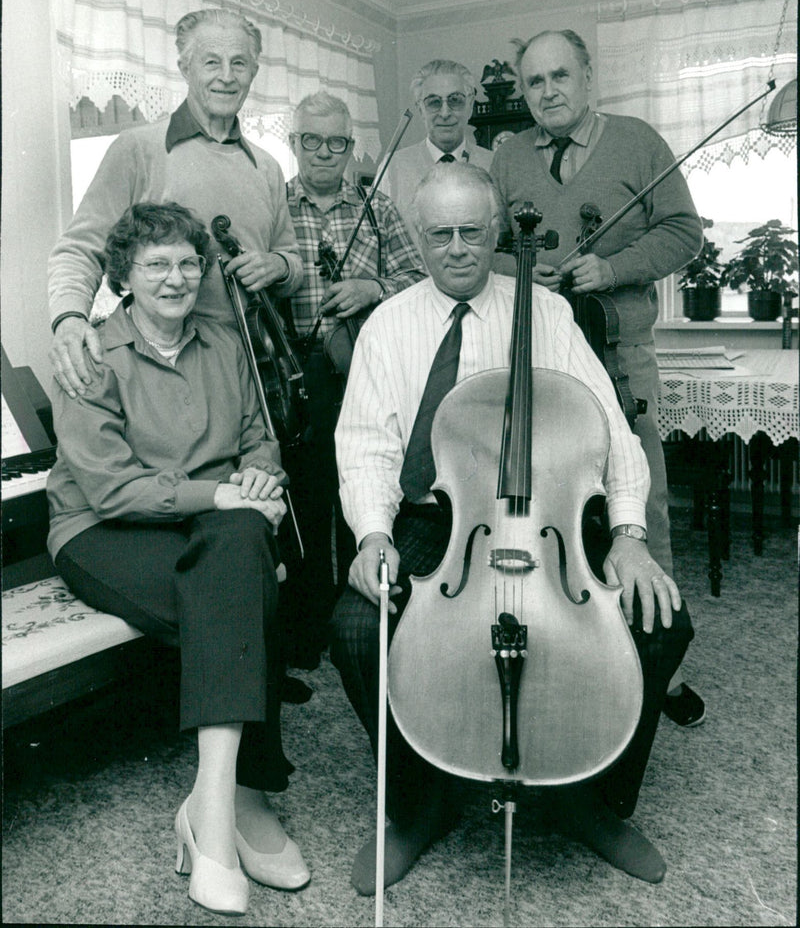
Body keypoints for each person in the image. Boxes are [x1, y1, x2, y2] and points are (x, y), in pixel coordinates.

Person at [330, 164, 694, 894]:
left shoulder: (547, 316)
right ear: (420, 237)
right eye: (441, 234)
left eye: (472, 231)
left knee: (661, 622)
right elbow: (366, 442)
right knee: (355, 628)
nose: (458, 248)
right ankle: (420, 805)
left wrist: (627, 535)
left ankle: (588, 801)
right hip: (441, 519)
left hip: (549, 516)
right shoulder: (387, 324)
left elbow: (611, 431)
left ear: (497, 233)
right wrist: (373, 535)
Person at [46, 202, 310, 916]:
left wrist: (258, 480)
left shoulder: (223, 342)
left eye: (189, 262)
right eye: (157, 264)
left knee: (239, 554)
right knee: (242, 578)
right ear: (123, 276)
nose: (177, 277)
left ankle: (213, 807)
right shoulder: (94, 351)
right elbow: (109, 487)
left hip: (210, 525)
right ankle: (239, 808)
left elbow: (259, 437)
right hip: (103, 531)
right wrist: (226, 495)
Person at [490, 30, 705, 727]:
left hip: (618, 354)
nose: (548, 92)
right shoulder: (510, 154)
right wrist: (522, 268)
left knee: (643, 497)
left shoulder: (639, 141)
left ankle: (661, 666)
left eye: (560, 76)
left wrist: (610, 269)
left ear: (588, 76)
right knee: (547, 499)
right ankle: (571, 643)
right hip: (535, 355)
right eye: (534, 83)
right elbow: (483, 244)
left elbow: (683, 232)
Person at [48, 8, 302, 398]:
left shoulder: (267, 167)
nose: (227, 76)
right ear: (185, 68)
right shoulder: (138, 149)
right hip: (163, 371)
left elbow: (291, 260)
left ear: (253, 72)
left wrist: (277, 265)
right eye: (211, 62)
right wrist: (68, 318)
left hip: (255, 372)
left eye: (239, 63)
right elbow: (79, 249)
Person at [280, 91, 426, 673]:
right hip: (293, 372)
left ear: (350, 145)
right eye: (310, 140)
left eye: (336, 142)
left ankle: (361, 615)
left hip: (362, 370)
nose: (323, 152)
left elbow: (419, 277)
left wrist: (372, 289)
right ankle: (311, 627)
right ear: (294, 143)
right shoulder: (273, 204)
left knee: (363, 494)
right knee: (307, 497)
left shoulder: (379, 206)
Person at [384, 59, 494, 240]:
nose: (445, 113)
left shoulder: (496, 164)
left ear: (470, 104)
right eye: (434, 102)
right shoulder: (392, 167)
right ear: (420, 108)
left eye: (455, 100)